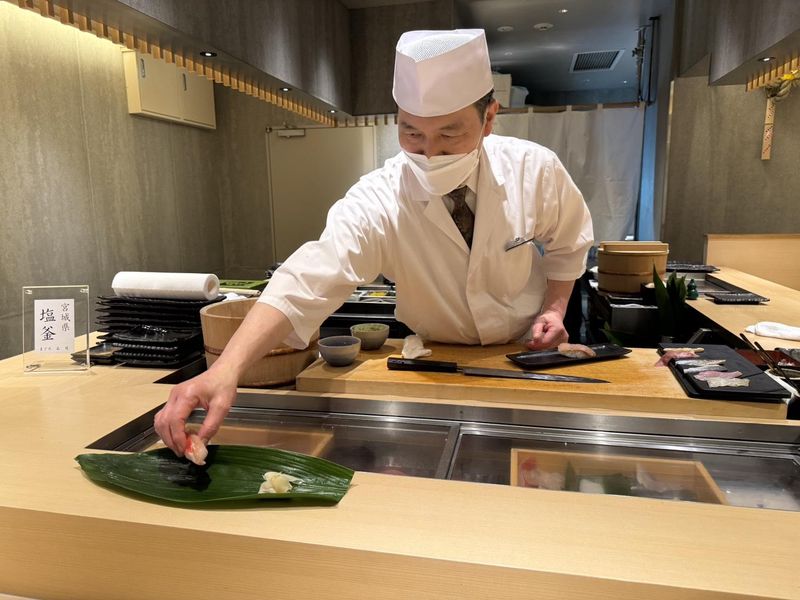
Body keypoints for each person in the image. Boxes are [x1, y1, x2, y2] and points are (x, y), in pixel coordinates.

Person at [155, 29, 593, 456]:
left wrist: (554, 310)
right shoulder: (380, 195)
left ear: (490, 118)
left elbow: (568, 242)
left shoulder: (533, 169)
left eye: (449, 134)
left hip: (522, 355)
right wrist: (226, 369)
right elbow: (311, 276)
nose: (430, 154)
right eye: (412, 133)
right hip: (428, 363)